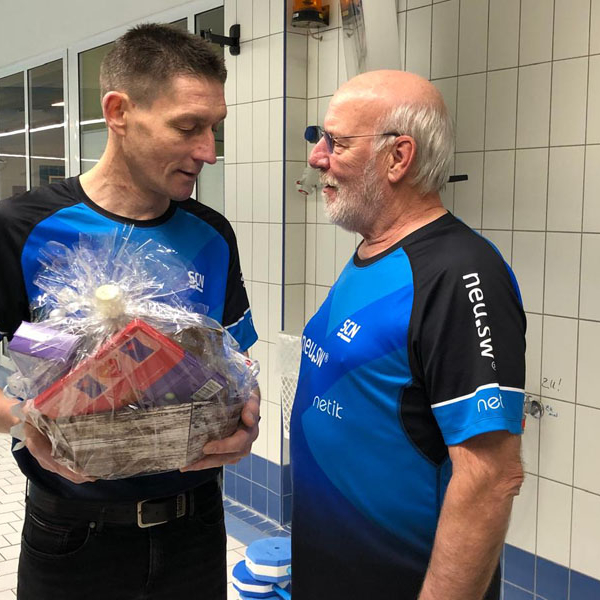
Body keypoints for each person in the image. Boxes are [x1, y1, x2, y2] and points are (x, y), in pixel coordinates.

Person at [0, 24, 259, 600]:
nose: (208, 152)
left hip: (194, 526)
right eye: (188, 127)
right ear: (118, 111)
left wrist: (247, 419)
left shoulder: (212, 235)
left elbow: (237, 365)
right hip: (72, 536)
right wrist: (23, 420)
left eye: (214, 128)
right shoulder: (24, 228)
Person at [291, 70, 526, 600]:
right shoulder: (373, 252)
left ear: (398, 157)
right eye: (319, 138)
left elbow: (491, 477)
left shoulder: (459, 272)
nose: (317, 157)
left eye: (336, 143)